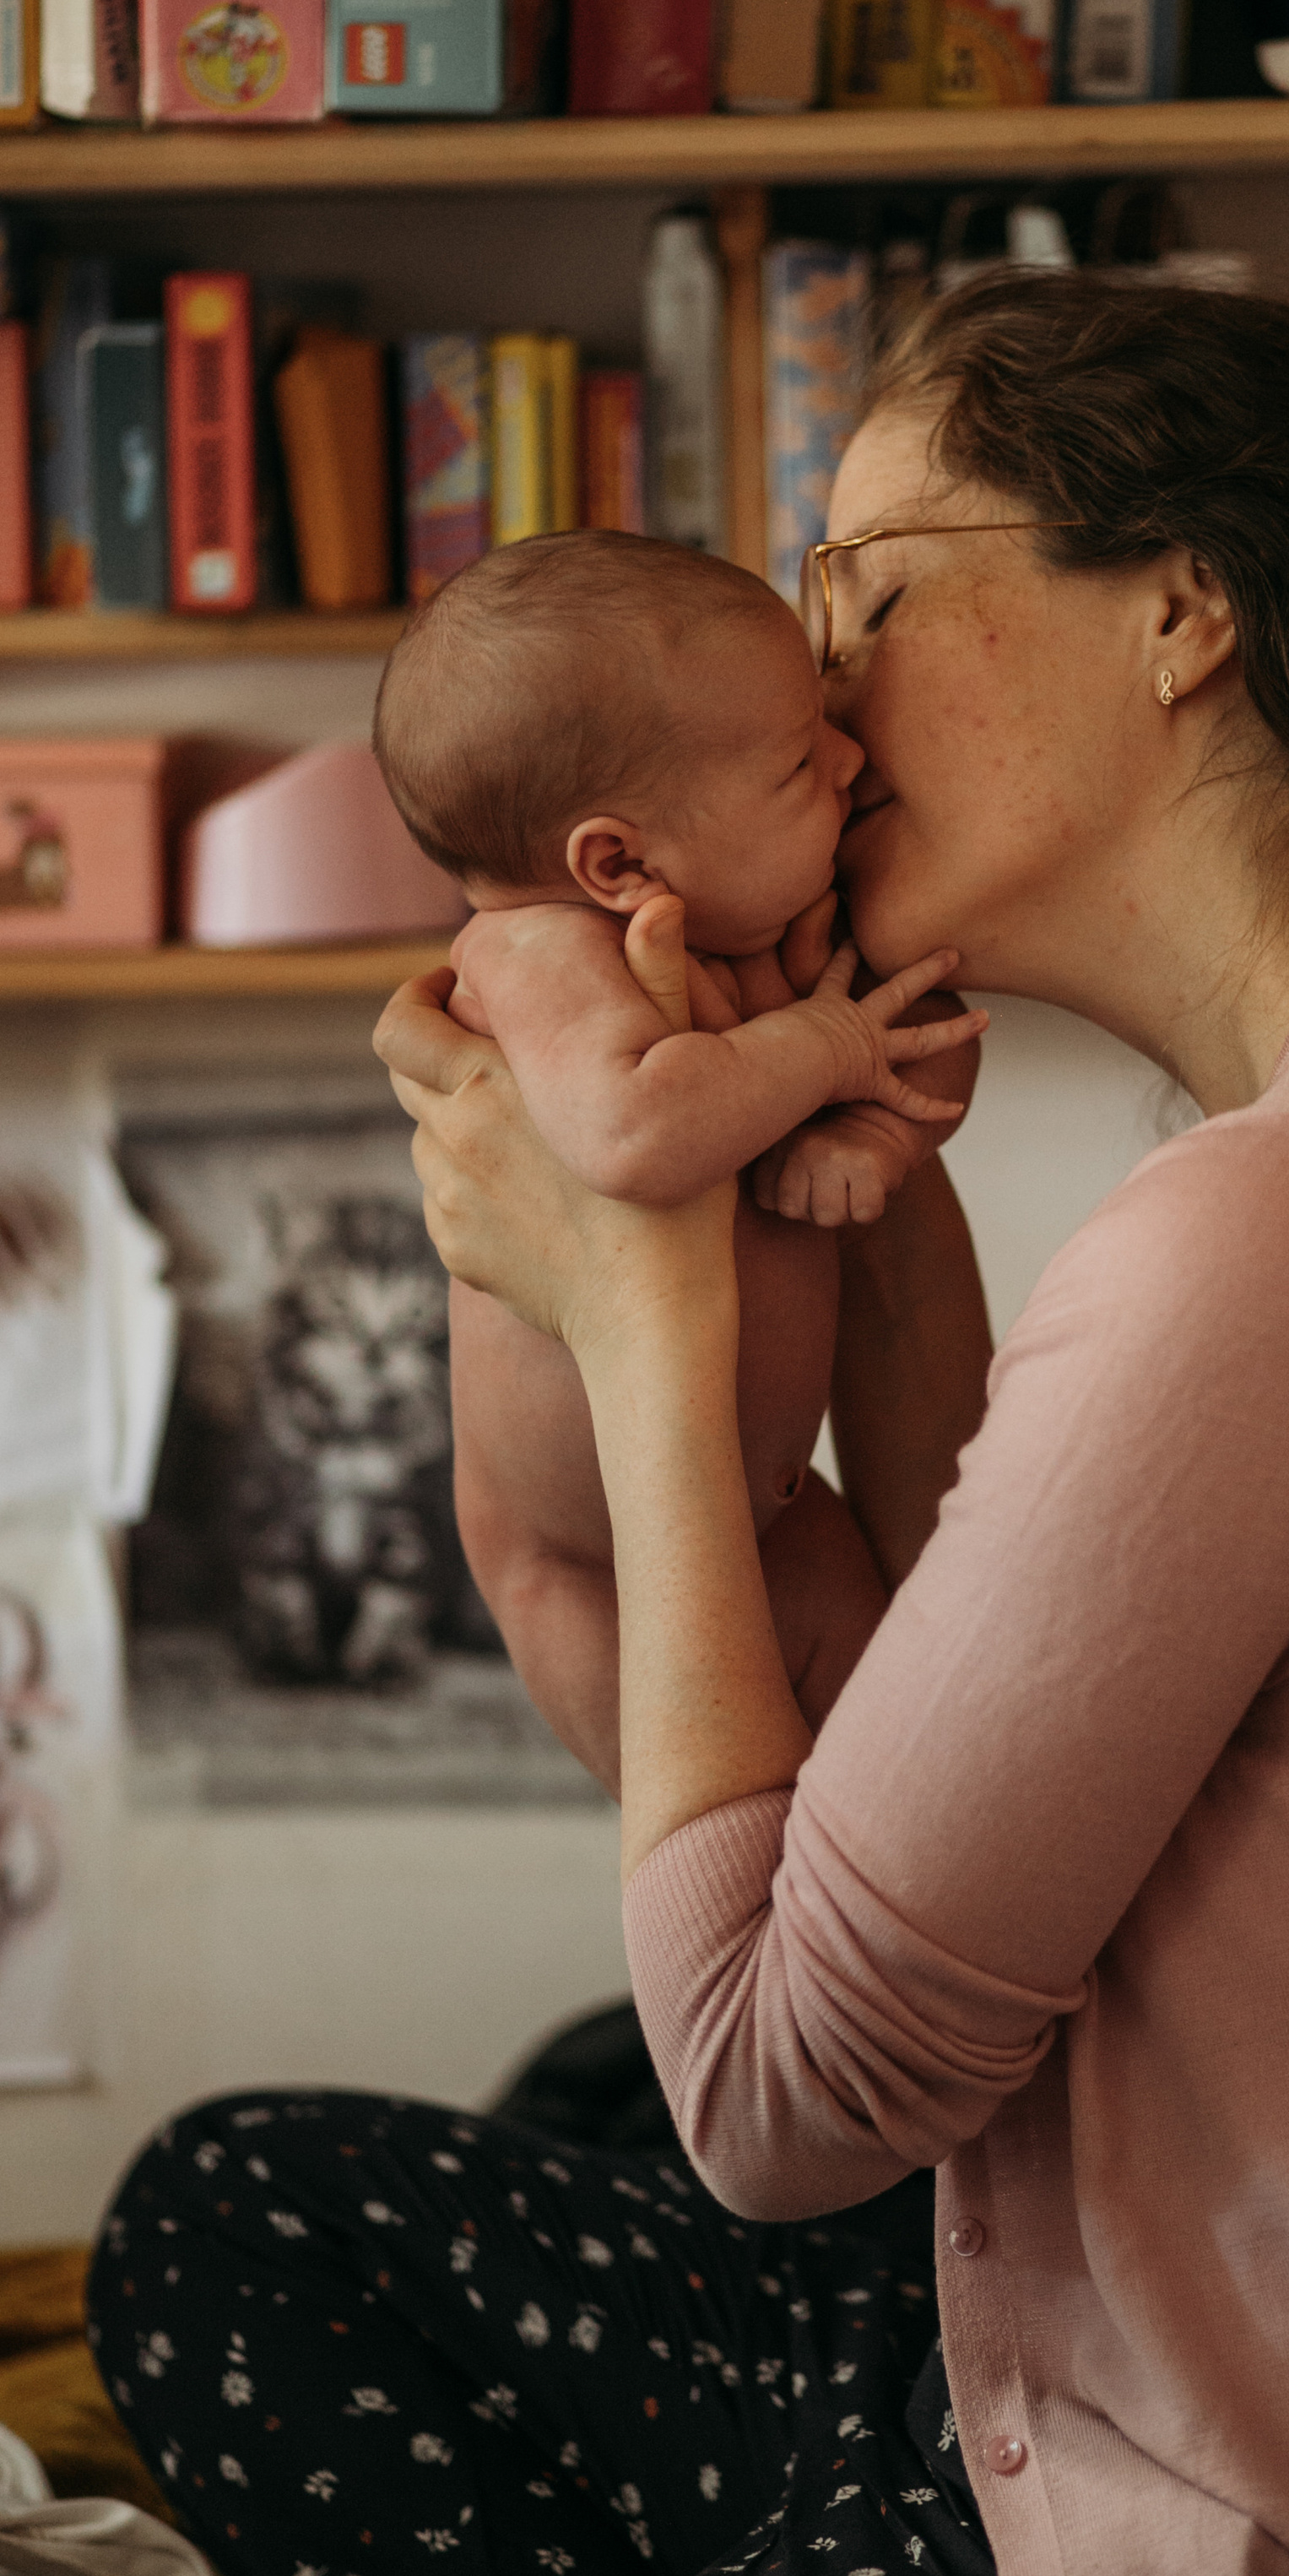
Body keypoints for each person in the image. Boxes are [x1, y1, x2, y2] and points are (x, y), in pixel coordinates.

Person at [0, 276, 1289, 2576]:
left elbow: (779, 2097)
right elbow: (928, 1742)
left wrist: (639, 1317)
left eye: (863, 591)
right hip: (1138, 2398)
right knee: (232, 2218)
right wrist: (851, 1204)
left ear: (1183, 609)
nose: (810, 691)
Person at [370, 532, 985, 1763]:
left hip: (778, 1524)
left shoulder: (755, 926)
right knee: (719, 1840)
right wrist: (821, 1050)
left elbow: (924, 1014)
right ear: (619, 860)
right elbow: (636, 1131)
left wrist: (874, 1131)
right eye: (803, 761)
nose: (854, 761)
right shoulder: (545, 956)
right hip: (580, 1565)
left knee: (919, 1779)